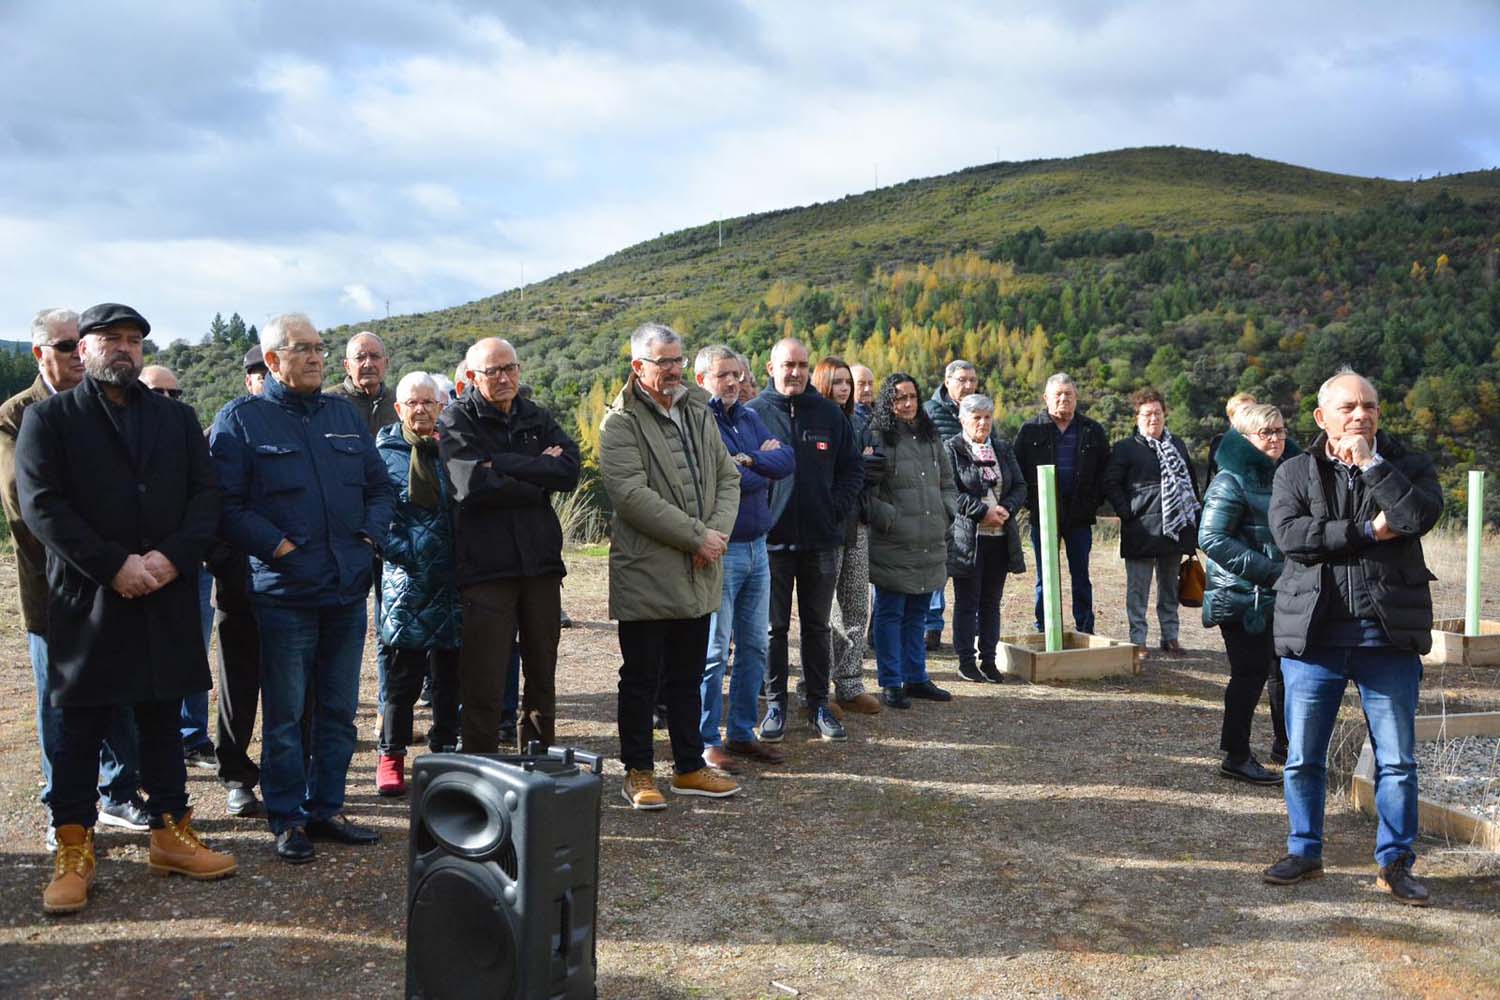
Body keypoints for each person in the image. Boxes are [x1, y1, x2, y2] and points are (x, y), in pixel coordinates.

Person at [18, 303, 235, 914]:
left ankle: (170, 834)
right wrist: (115, 565)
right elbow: (41, 505)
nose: (125, 348)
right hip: (89, 598)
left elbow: (206, 496)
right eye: (110, 338)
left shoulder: (175, 417)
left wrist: (170, 559)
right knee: (81, 728)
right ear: (83, 349)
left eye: (135, 340)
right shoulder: (50, 418)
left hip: (163, 592)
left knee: (162, 719)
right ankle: (73, 850)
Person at [210, 312, 394, 864]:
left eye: (319, 347)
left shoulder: (342, 415)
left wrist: (369, 539)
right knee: (286, 715)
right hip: (285, 595)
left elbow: (379, 488)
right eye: (302, 349)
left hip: (345, 590)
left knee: (337, 711)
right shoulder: (240, 420)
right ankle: (287, 817)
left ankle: (326, 808)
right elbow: (225, 506)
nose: (315, 357)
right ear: (272, 360)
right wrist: (280, 548)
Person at [1262, 369, 1441, 906]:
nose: (1361, 414)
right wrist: (1366, 532)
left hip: (1387, 637)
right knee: (1303, 757)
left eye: (1370, 406)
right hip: (1314, 638)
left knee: (1397, 760)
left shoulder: (1406, 465)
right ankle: (1305, 851)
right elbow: (1292, 537)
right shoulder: (1296, 470)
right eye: (1348, 407)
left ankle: (1395, 862)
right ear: (1322, 418)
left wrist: (1371, 464)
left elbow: (1415, 516)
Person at [1, 308, 147, 849]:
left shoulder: (109, 405)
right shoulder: (18, 416)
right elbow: (27, 506)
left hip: (117, 580)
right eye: (64, 346)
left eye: (78, 343)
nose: (75, 355)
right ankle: (60, 809)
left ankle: (119, 792)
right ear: (40, 353)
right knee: (60, 704)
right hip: (55, 588)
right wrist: (100, 556)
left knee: (121, 693)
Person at [600, 323, 742, 808]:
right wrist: (698, 536)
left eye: (678, 360)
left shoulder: (697, 410)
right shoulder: (620, 422)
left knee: (687, 675)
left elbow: (728, 477)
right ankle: (638, 772)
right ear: (638, 366)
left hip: (699, 567)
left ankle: (688, 767)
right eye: (664, 362)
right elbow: (630, 496)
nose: (675, 369)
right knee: (642, 679)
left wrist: (714, 537)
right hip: (647, 571)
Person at [439, 337, 580, 754]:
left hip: (540, 563)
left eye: (510, 368)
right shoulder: (456, 419)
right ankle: (481, 765)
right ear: (471, 376)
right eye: (493, 371)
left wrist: (499, 463)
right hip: (487, 568)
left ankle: (539, 761)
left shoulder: (535, 414)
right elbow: (470, 485)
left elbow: (568, 470)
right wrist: (539, 472)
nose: (504, 378)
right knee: (484, 676)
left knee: (542, 673)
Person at [748, 338, 863, 742]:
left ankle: (818, 705)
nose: (795, 372)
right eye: (787, 365)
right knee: (773, 629)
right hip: (770, 543)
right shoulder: (753, 415)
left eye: (801, 365)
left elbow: (852, 470)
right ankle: (775, 705)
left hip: (821, 541)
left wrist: (833, 509)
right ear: (771, 368)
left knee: (817, 627)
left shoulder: (829, 413)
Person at [695, 344, 794, 771]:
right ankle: (705, 739)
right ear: (701, 380)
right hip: (723, 549)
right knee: (715, 651)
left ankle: (740, 732)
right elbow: (721, 478)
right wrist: (759, 465)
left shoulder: (749, 417)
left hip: (758, 547)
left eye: (737, 374)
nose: (733, 382)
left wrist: (751, 459)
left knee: (754, 645)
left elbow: (786, 459)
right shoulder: (700, 422)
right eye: (723, 375)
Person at [1199, 403, 1297, 785]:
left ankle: (1286, 745)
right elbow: (1211, 538)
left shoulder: (1287, 473)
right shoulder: (1230, 480)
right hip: (1242, 597)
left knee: (1282, 672)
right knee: (1248, 676)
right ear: (1245, 438)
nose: (1275, 438)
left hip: (1279, 594)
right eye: (1265, 432)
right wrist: (1271, 572)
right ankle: (1236, 756)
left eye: (1280, 430)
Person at [375, 373, 461, 794]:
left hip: (453, 580)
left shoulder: (455, 449)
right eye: (412, 402)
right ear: (399, 408)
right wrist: (408, 554)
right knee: (403, 677)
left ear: (441, 406)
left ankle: (444, 750)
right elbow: (372, 516)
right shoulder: (384, 453)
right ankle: (391, 755)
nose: (421, 409)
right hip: (407, 583)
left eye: (428, 401)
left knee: (449, 675)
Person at [141, 363, 218, 771]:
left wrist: (187, 551)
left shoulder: (191, 437)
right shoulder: (119, 440)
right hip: (134, 567)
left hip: (190, 566)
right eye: (157, 392)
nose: (167, 399)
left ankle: (192, 737)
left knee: (194, 652)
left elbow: (206, 497)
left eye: (175, 393)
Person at [866, 373, 957, 708]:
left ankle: (916, 677)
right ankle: (891, 682)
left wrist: (947, 512)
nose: (907, 404)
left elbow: (947, 481)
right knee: (890, 613)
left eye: (912, 397)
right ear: (888, 402)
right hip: (893, 542)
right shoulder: (878, 437)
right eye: (899, 398)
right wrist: (889, 518)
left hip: (929, 539)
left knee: (918, 612)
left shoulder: (930, 436)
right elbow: (867, 490)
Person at [207, 345, 270, 817]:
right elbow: (205, 504)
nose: (267, 380)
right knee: (238, 689)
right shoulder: (223, 429)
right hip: (239, 581)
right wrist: (223, 561)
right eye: (259, 373)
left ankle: (290, 774)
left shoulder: (305, 427)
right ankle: (235, 776)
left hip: (293, 583)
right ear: (248, 380)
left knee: (296, 689)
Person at [325, 331, 400, 711]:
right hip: (342, 535)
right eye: (360, 357)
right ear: (346, 365)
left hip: (393, 530)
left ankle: (388, 711)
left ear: (386, 362)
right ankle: (337, 711)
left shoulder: (401, 403)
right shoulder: (327, 404)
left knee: (391, 626)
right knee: (340, 630)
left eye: (374, 356)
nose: (368, 363)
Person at [1104, 387, 1201, 655]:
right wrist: (1127, 512)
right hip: (1141, 530)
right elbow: (1110, 483)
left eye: (1157, 413)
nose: (1153, 418)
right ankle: (1138, 641)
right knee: (1138, 591)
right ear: (1137, 417)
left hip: (1174, 529)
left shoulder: (1177, 444)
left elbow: (1191, 483)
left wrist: (1193, 520)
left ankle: (1170, 637)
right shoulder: (1125, 448)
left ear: (1165, 414)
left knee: (1169, 588)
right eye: (1147, 414)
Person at [1013, 373, 1110, 635]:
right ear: (1046, 398)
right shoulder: (1030, 430)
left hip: (1079, 516)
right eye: (1058, 394)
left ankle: (1085, 628)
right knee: (1045, 575)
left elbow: (1106, 471)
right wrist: (1031, 504)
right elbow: (1016, 470)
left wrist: (1093, 503)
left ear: (1076, 397)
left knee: (1081, 576)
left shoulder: (1092, 430)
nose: (1063, 399)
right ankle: (1044, 628)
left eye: (1068, 394)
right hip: (1043, 516)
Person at [811, 356, 881, 715]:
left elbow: (877, 465)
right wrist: (858, 465)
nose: (844, 388)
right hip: (826, 526)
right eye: (837, 382)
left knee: (856, 605)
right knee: (822, 611)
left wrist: (860, 466)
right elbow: (822, 472)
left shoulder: (858, 421)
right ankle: (816, 688)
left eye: (847, 383)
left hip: (857, 523)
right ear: (822, 383)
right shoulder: (814, 421)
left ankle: (850, 684)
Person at [945, 394, 1026, 683]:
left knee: (991, 602)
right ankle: (966, 662)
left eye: (987, 417)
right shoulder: (952, 449)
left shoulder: (1002, 448)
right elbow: (950, 492)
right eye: (976, 417)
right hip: (969, 540)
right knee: (968, 602)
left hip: (1000, 538)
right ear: (963, 419)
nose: (983, 423)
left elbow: (1020, 486)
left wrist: (1007, 508)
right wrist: (982, 513)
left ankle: (989, 660)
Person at [920, 361, 980, 650]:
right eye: (962, 380)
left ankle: (970, 630)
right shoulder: (929, 412)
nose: (968, 385)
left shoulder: (979, 410)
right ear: (947, 382)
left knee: (969, 566)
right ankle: (931, 627)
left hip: (973, 503)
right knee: (937, 566)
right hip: (938, 501)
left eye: (972, 380)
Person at [1206, 392, 1257, 482]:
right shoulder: (1222, 443)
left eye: (1254, 411)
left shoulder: (1270, 440)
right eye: (1245, 411)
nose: (1250, 415)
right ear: (1232, 418)